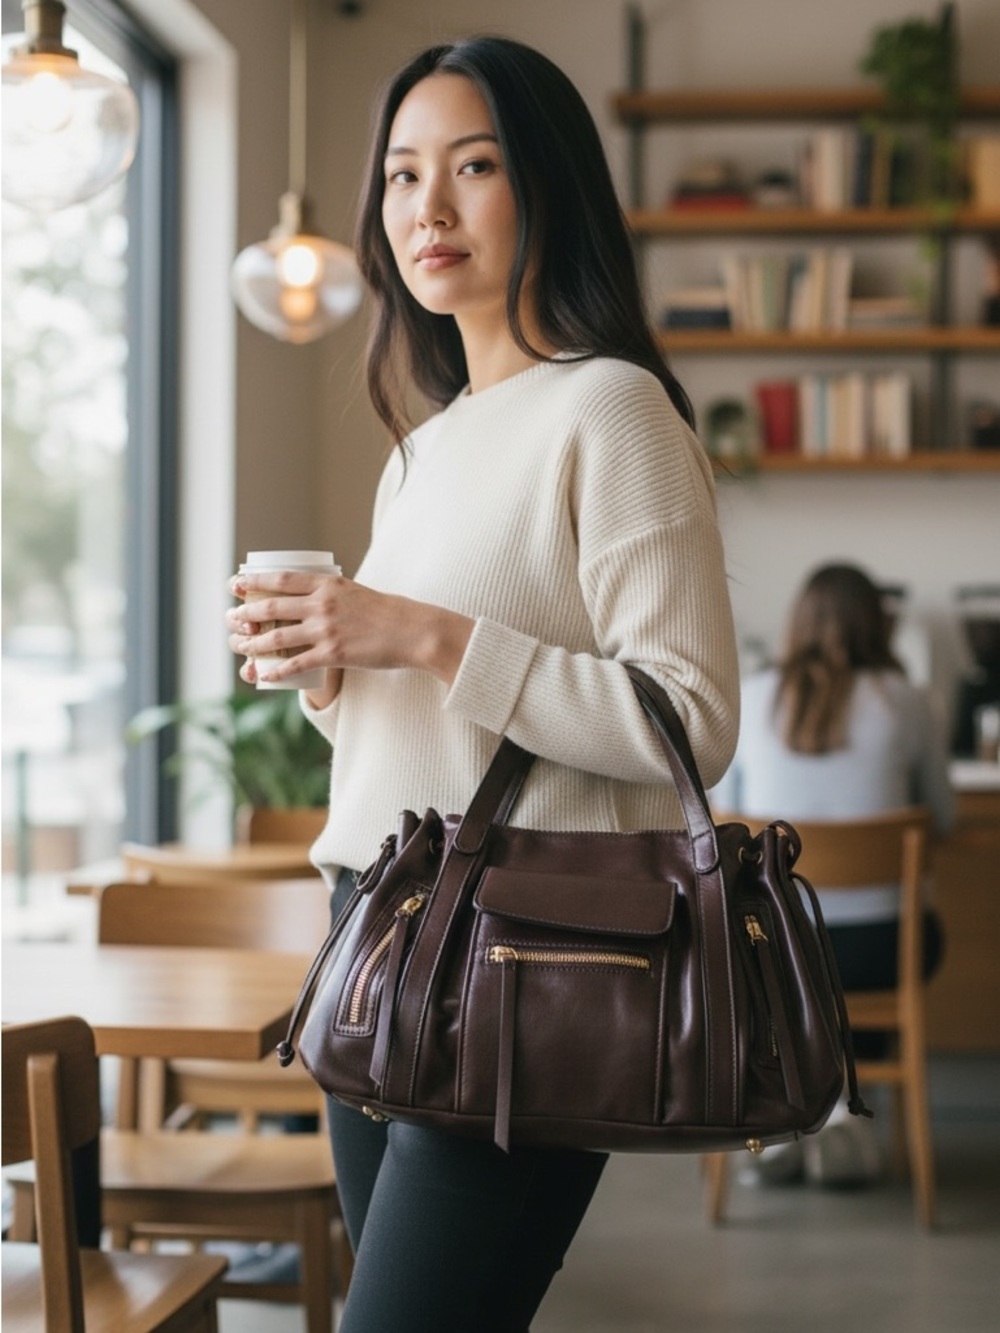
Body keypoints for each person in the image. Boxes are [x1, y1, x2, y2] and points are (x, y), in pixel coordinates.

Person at [227, 35, 739, 1333]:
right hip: (371, 932)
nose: (428, 209)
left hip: (523, 954)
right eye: (402, 175)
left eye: (473, 166)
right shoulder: (424, 449)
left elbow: (689, 720)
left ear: (547, 186)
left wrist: (424, 634)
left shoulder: (613, 412)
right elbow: (430, 733)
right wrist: (330, 673)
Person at [711, 562, 954, 1187]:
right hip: (881, 949)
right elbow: (943, 818)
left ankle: (788, 1113)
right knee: (862, 958)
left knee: (783, 960)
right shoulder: (907, 702)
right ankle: (847, 1111)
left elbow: (726, 827)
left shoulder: (753, 698)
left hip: (771, 947)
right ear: (879, 625)